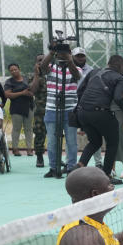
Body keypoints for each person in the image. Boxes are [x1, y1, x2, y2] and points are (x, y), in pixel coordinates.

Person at [76, 55, 123, 184]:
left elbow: (80, 91)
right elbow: (118, 98)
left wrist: (85, 105)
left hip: (82, 112)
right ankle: (106, 176)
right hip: (100, 112)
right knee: (112, 143)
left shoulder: (94, 72)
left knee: (95, 141)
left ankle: (79, 166)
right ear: (120, 66)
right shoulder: (120, 78)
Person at [39, 43, 83, 178]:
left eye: (66, 52)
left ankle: (71, 168)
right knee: (52, 141)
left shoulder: (77, 69)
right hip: (52, 109)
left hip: (70, 110)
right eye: (60, 53)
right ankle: (53, 167)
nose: (62, 55)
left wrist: (69, 60)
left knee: (71, 141)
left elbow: (77, 76)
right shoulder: (51, 68)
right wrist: (52, 52)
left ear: (70, 54)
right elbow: (42, 68)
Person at [3, 63, 34, 156]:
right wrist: (22, 93)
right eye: (11, 70)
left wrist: (30, 93)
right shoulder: (9, 82)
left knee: (28, 128)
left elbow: (33, 89)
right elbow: (7, 95)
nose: (13, 71)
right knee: (16, 128)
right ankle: (15, 149)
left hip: (29, 106)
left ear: (19, 69)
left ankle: (29, 149)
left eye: (15, 69)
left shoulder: (26, 79)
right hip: (16, 108)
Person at [29, 53, 48, 168]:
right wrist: (37, 75)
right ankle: (39, 156)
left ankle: (56, 158)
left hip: (55, 109)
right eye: (39, 60)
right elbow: (32, 90)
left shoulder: (55, 74)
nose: (41, 62)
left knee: (57, 135)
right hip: (41, 110)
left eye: (43, 60)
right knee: (39, 132)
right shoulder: (34, 76)